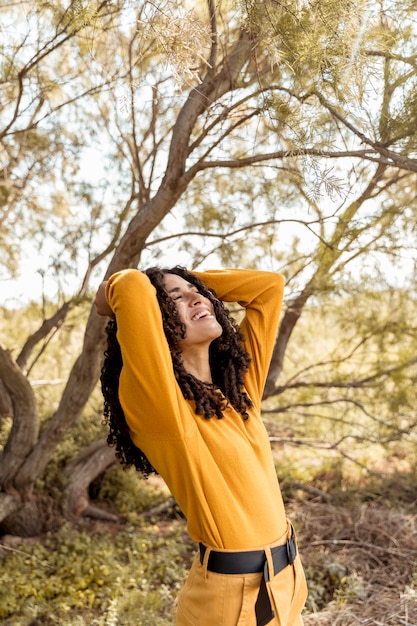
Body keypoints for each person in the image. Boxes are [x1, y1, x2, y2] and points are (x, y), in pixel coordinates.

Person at [94, 266, 307, 626]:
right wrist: (112, 293)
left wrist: (186, 281)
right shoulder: (162, 408)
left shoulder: (238, 393)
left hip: (285, 582)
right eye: (174, 298)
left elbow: (268, 288)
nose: (197, 298)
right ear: (154, 319)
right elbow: (131, 286)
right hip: (232, 601)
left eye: (199, 292)